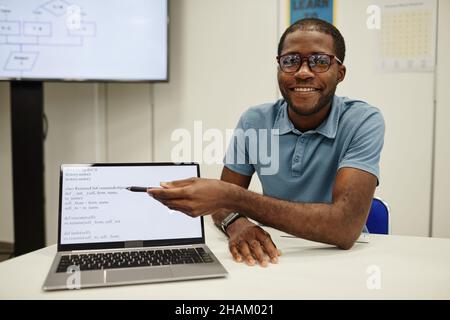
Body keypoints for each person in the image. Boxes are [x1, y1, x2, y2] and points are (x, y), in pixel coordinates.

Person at [148, 18, 385, 267]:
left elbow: (344, 228)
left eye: (320, 61)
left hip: (344, 258)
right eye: (291, 61)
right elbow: (221, 206)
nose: (303, 72)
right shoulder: (255, 120)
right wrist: (237, 223)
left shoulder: (362, 120)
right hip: (275, 255)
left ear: (340, 73)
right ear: (279, 68)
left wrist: (233, 197)